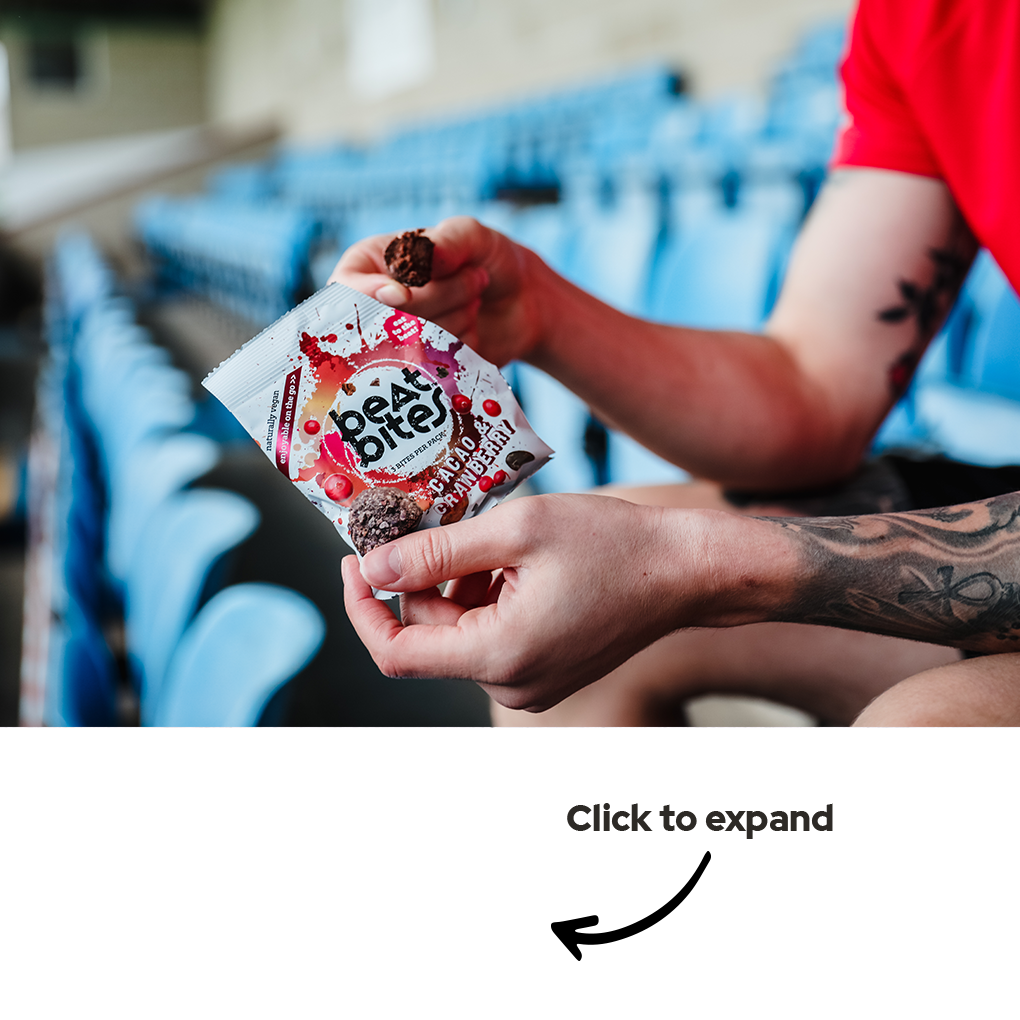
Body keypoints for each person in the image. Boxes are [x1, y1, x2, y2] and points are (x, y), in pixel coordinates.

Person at [332, 0, 1020, 727]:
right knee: (557, 624)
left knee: (927, 730)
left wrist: (704, 566)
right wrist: (538, 313)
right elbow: (815, 387)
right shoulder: (920, 19)